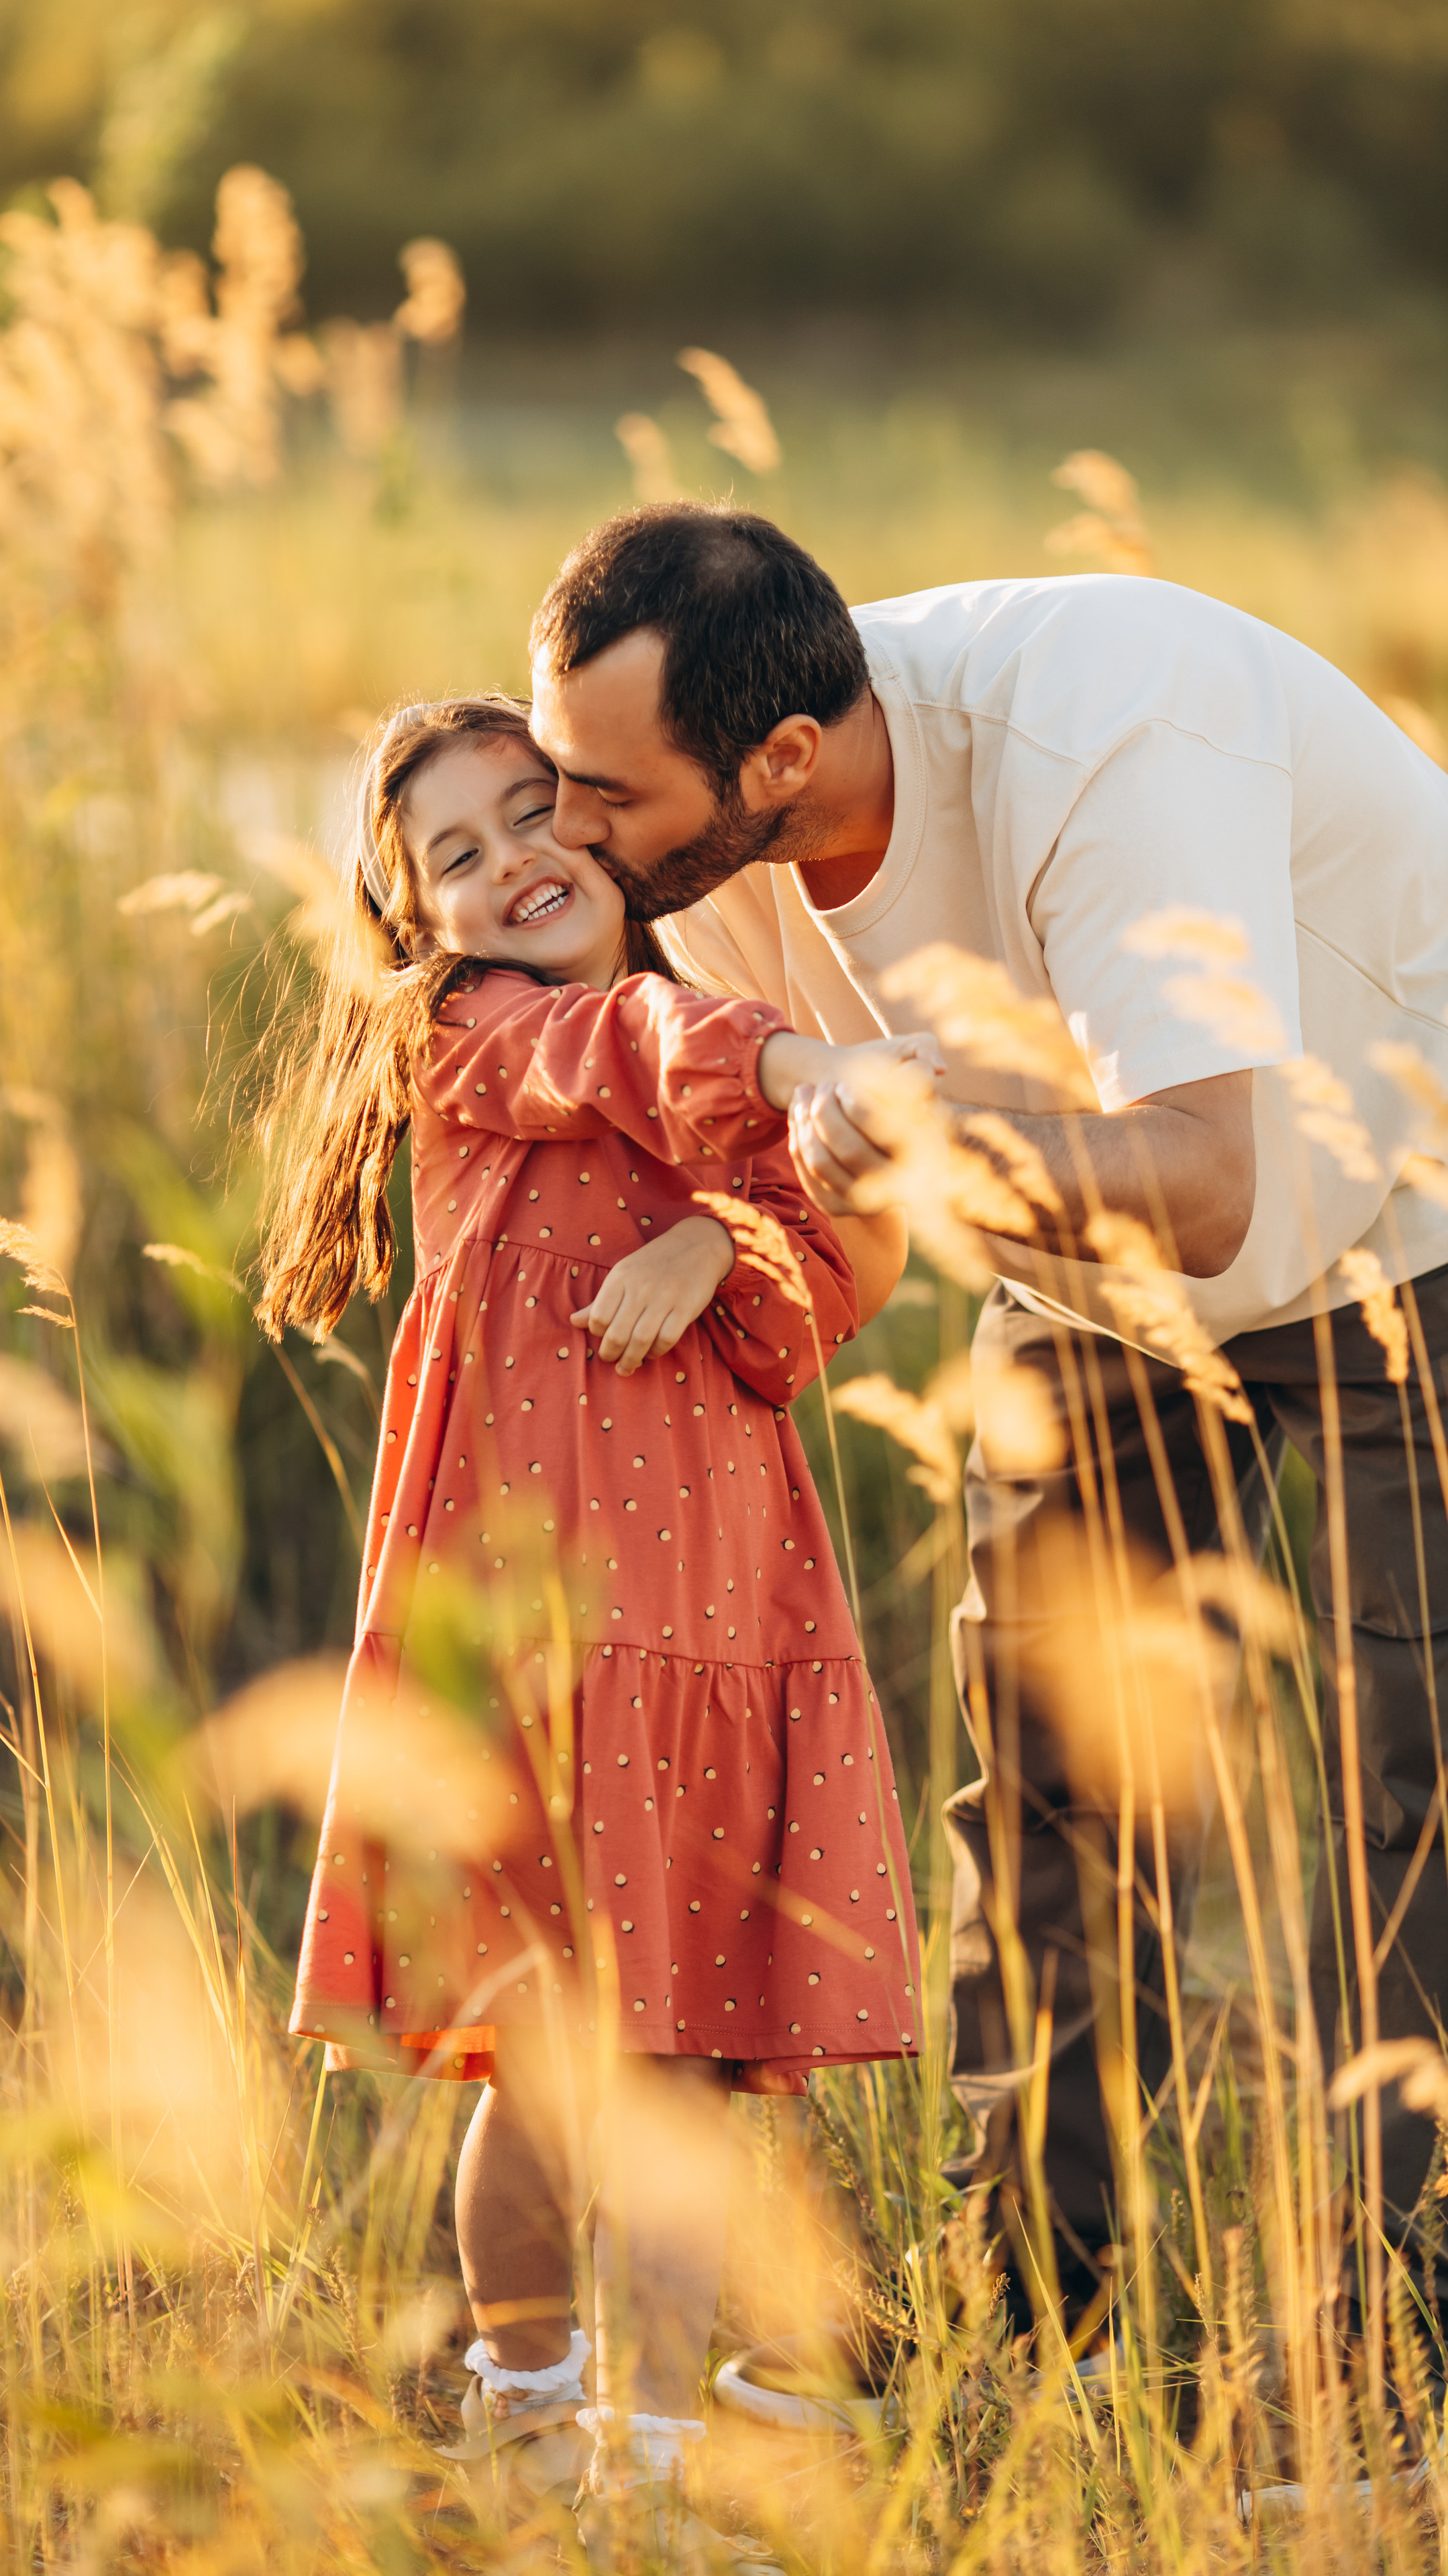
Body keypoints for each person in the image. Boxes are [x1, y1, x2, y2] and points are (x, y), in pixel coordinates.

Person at [524, 501, 1448, 2337]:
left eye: (606, 797)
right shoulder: (717, 874)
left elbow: (1197, 1178)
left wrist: (926, 1148)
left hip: (1402, 1220)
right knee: (1043, 1779)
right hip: (1079, 1274)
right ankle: (1038, 2301)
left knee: (1400, 1790)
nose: (572, 833)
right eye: (559, 777)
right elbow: (844, 1191)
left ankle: (1385, 2323)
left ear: (782, 757)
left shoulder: (1111, 730)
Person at [254, 693, 927, 2553]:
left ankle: (724, 2399)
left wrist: (725, 1236)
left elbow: (814, 1294)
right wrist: (790, 1062)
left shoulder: (703, 1045)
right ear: (417, 924)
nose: (509, 864)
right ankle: (542, 2405)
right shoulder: (476, 1030)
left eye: (533, 811)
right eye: (453, 857)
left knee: (702, 2049)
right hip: (539, 1632)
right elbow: (619, 1048)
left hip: (717, 1612)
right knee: (556, 2055)